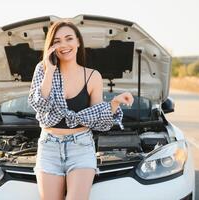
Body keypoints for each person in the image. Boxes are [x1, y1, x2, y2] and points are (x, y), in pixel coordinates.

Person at [28, 20, 133, 200]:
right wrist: (50, 71)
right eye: (57, 41)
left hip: (81, 147)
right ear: (51, 46)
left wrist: (114, 103)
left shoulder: (92, 76)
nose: (64, 45)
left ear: (78, 42)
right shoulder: (43, 69)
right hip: (49, 147)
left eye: (69, 38)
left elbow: (98, 121)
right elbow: (39, 105)